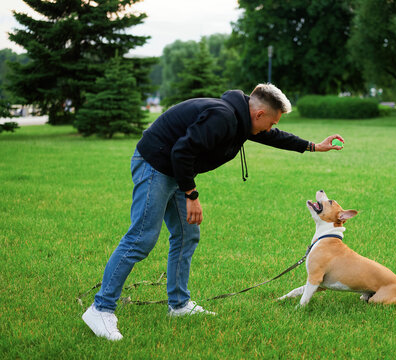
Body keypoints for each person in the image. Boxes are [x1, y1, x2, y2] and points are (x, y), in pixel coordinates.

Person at [82, 83, 345, 340]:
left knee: (187, 235)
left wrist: (313, 146)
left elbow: (271, 136)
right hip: (156, 165)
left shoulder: (242, 119)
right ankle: (101, 309)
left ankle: (179, 305)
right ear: (259, 114)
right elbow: (181, 151)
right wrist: (191, 195)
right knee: (142, 238)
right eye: (272, 121)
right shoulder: (222, 117)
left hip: (174, 171)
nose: (271, 128)